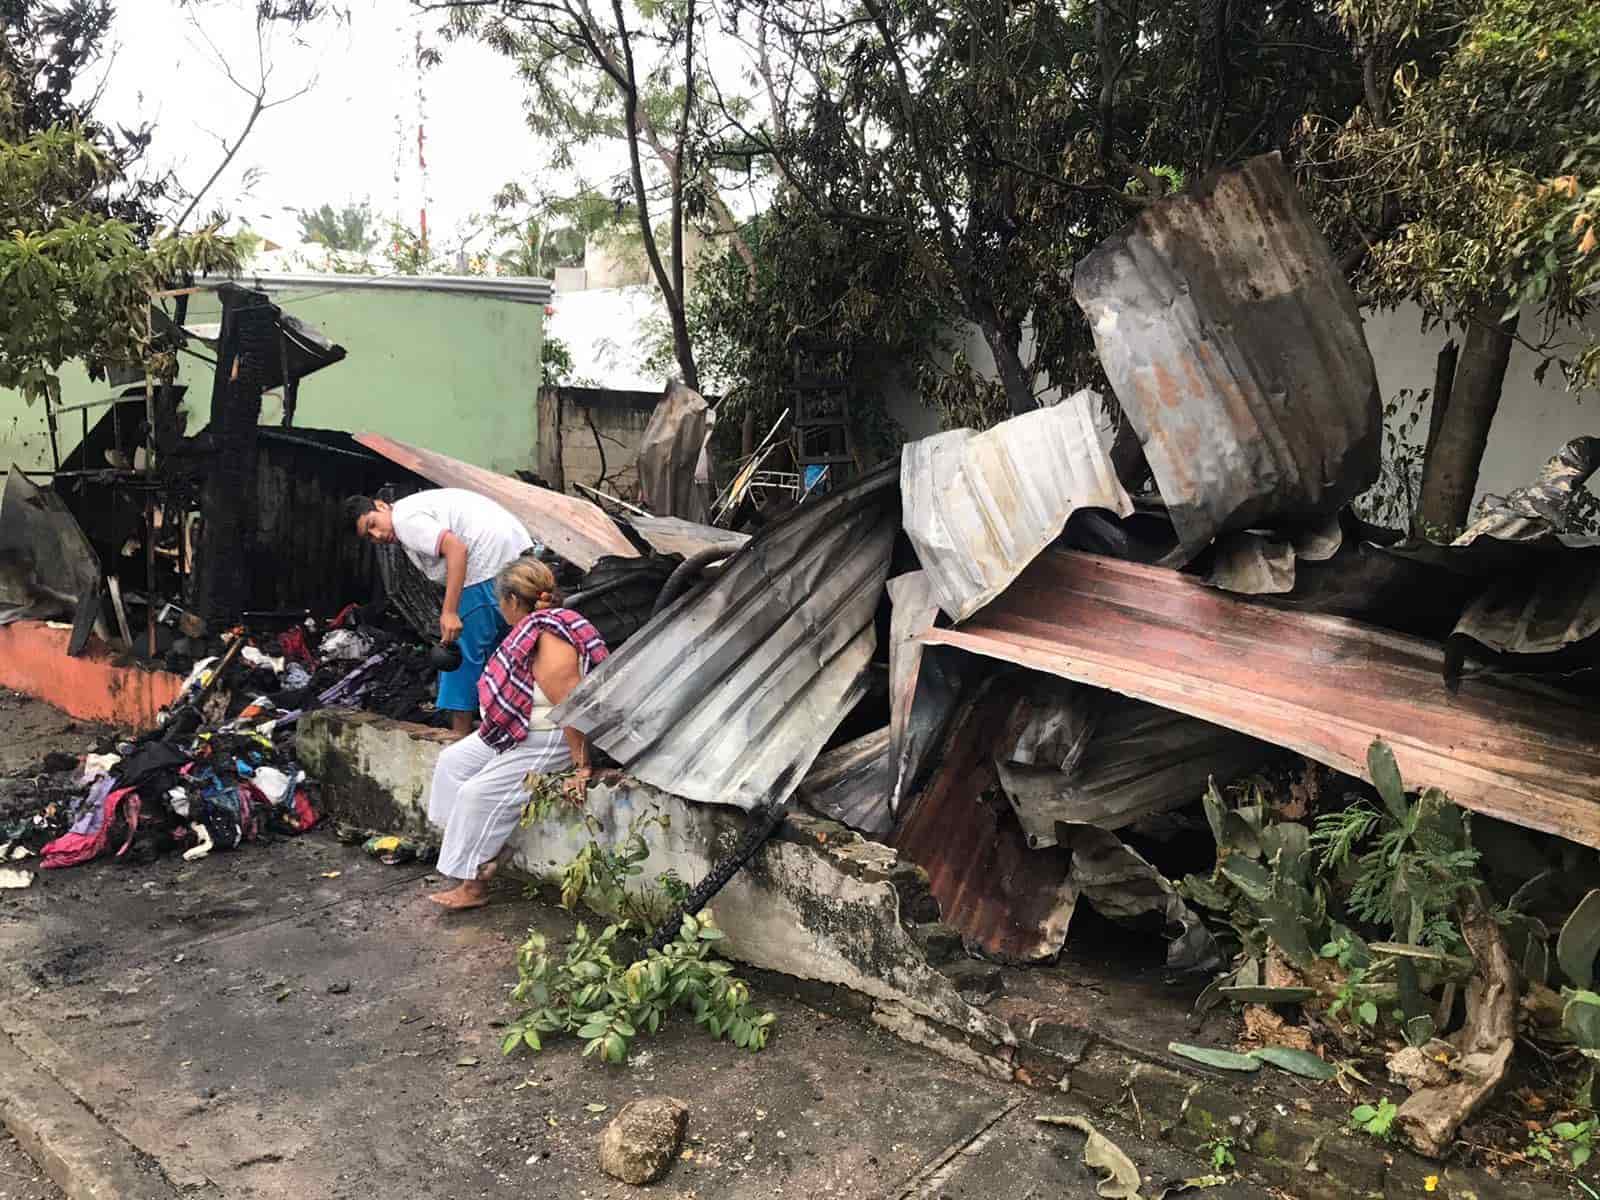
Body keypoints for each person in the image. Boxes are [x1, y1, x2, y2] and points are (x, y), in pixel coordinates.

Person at [423, 557, 609, 911]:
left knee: (476, 795)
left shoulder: (550, 638)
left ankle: (474, 882)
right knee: (451, 763)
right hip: (517, 727)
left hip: (551, 736)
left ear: (510, 601)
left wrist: (581, 766)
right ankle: (476, 846)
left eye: (500, 602)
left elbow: (572, 706)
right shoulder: (530, 629)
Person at [343, 489, 533, 735]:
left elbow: (456, 549)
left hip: (486, 568)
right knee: (506, 651)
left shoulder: (404, 520)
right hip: (511, 556)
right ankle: (507, 725)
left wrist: (450, 611)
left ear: (381, 506)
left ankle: (458, 737)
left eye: (373, 524)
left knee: (457, 656)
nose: (377, 535)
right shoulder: (413, 509)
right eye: (369, 536)